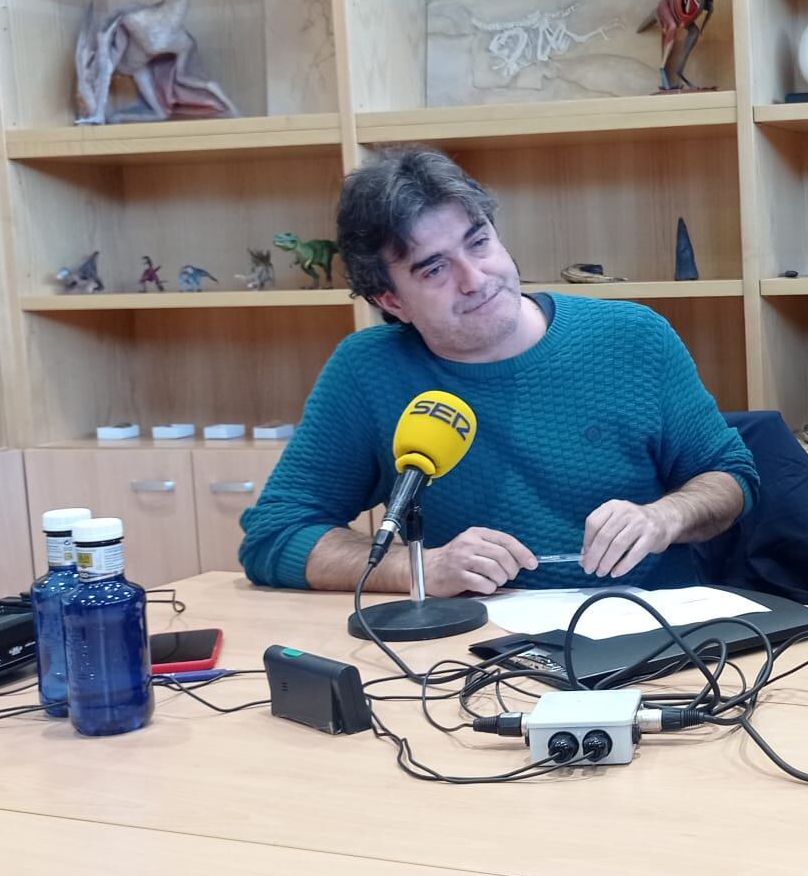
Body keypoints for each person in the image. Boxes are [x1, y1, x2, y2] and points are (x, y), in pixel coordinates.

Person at [239, 146, 757, 596]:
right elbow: (275, 533)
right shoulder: (368, 371)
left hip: (653, 638)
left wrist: (663, 517)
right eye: (435, 268)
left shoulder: (632, 336)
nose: (475, 278)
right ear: (391, 300)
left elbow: (732, 478)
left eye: (479, 242)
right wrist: (419, 567)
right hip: (477, 654)